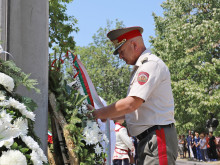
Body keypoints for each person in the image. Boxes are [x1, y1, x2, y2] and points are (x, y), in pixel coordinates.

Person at [87, 26, 178, 165]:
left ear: (134, 45)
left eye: (121, 51)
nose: (120, 57)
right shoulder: (141, 67)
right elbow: (137, 111)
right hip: (149, 139)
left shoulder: (149, 65)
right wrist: (109, 115)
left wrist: (98, 113)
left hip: (156, 138)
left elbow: (131, 104)